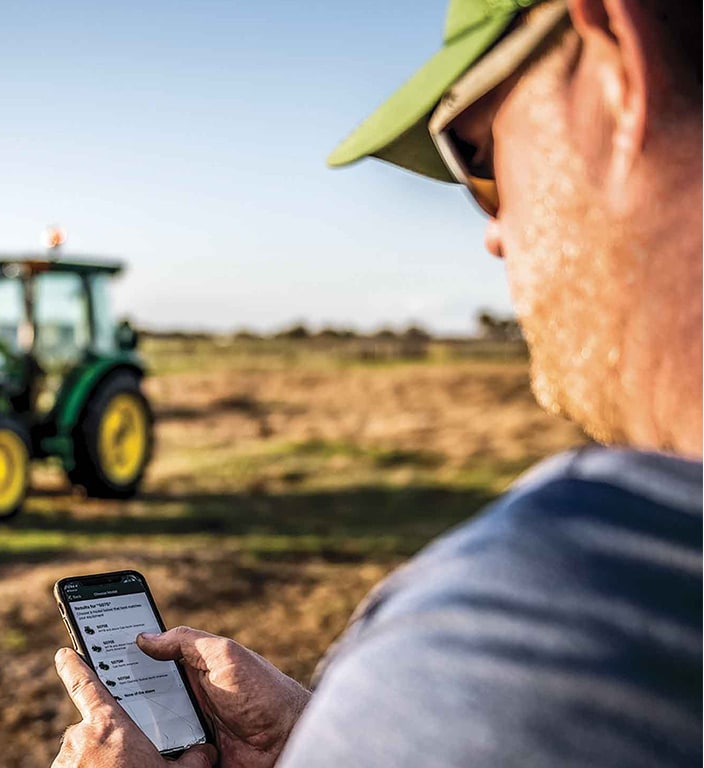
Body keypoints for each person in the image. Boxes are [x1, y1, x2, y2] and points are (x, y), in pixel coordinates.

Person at [51, 0, 702, 764]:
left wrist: (392, 722)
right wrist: (324, 739)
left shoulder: (529, 636)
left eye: (476, 153)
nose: (493, 232)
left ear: (615, 57)